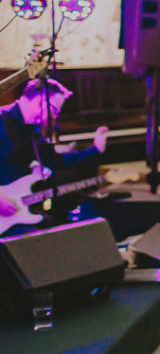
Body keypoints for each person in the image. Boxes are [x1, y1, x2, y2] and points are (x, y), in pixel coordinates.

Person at [0, 78, 108, 236]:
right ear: (40, 100)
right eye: (54, 110)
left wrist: (95, 149)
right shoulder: (2, 120)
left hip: (15, 211)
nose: (54, 118)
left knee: (59, 230)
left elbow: (55, 160)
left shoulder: (30, 131)